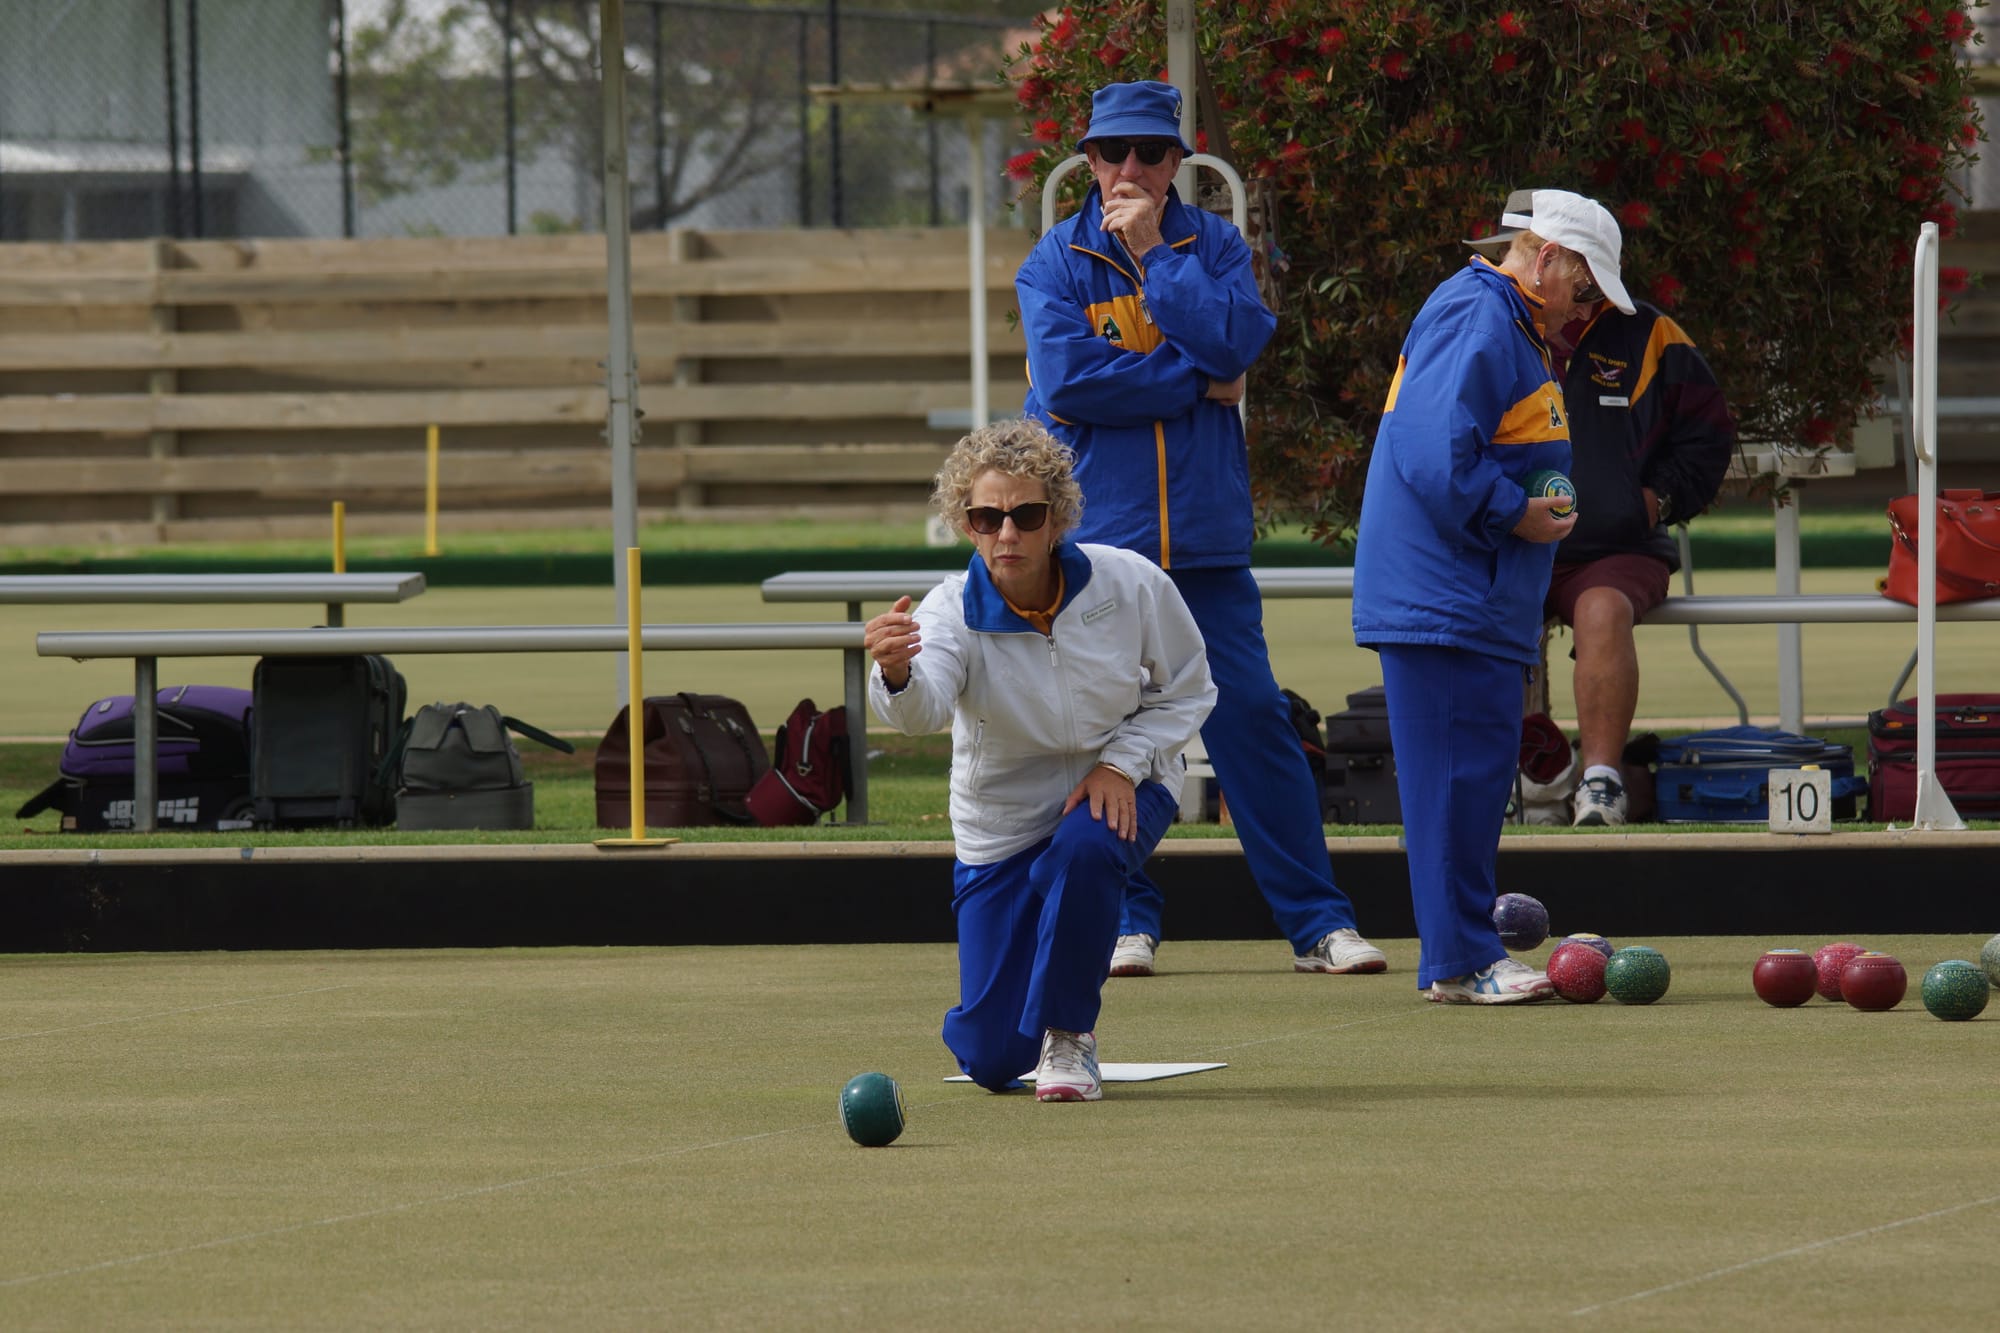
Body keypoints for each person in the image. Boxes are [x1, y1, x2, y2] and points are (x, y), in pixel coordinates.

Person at [1015, 79, 1386, 981]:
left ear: (1178, 160)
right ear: (1089, 161)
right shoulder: (1053, 261)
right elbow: (1068, 384)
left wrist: (1153, 255)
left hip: (1208, 548)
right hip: (1099, 547)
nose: (1130, 168)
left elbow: (1234, 345)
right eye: (1113, 153)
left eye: (1149, 151)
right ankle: (1126, 918)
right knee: (1107, 737)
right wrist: (1191, 379)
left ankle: (1317, 925)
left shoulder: (1212, 245)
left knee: (1253, 720)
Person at [865, 419, 1216, 1102]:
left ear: (1057, 519)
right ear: (964, 523)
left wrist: (1122, 761)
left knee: (1084, 847)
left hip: (1125, 783)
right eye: (986, 516)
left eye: (1026, 515)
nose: (1007, 534)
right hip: (1002, 823)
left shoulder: (1128, 584)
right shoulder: (948, 613)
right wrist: (897, 674)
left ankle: (1069, 1035)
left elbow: (1190, 687)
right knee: (992, 1058)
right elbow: (925, 708)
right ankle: (1019, 1026)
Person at [1352, 188, 1634, 1004]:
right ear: (1545, 259)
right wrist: (1520, 513)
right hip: (1445, 595)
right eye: (1583, 289)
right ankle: (1460, 959)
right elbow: (1434, 453)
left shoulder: (1503, 321)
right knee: (1452, 784)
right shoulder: (1479, 316)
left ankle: (1462, 953)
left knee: (1469, 780)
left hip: (1465, 594)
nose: (1583, 311)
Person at [1468, 191, 1739, 826]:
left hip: (1614, 549)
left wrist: (1650, 502)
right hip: (1507, 537)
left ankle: (1600, 782)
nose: (1581, 296)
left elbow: (1709, 433)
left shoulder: (1651, 333)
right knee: (1485, 618)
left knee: (1601, 609)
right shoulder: (1487, 322)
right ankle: (1510, 784)